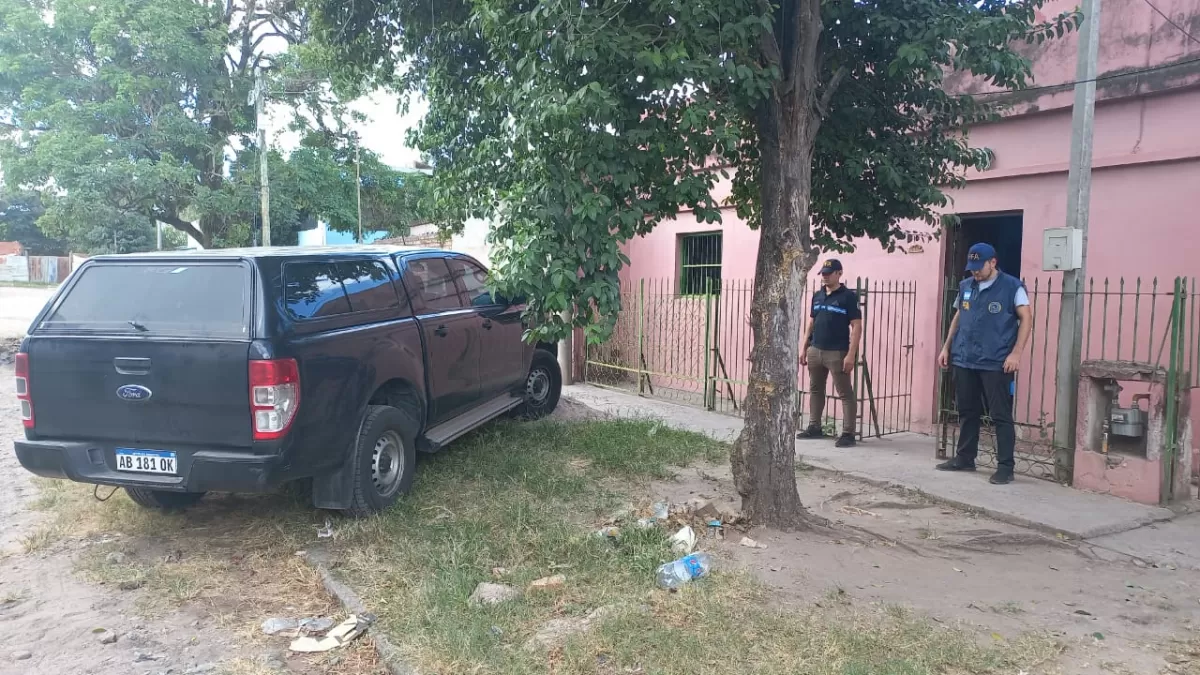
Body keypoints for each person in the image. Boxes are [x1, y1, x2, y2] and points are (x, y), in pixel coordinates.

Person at [936, 242, 1033, 484]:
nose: (975, 272)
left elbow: (1027, 319)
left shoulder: (1012, 287)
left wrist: (1016, 353)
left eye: (980, 267)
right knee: (967, 411)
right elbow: (958, 316)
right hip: (965, 358)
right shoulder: (966, 286)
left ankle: (1005, 467)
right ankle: (965, 458)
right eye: (972, 268)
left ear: (993, 262)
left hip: (996, 361)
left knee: (1000, 415)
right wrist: (946, 346)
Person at [798, 258, 862, 448]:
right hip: (816, 349)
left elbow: (857, 327)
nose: (825, 277)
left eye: (829, 273)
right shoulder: (817, 295)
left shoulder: (847, 297)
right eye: (823, 274)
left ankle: (848, 433)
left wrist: (851, 354)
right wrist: (804, 347)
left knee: (845, 393)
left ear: (839, 273)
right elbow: (811, 323)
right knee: (816, 389)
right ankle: (814, 426)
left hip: (837, 352)